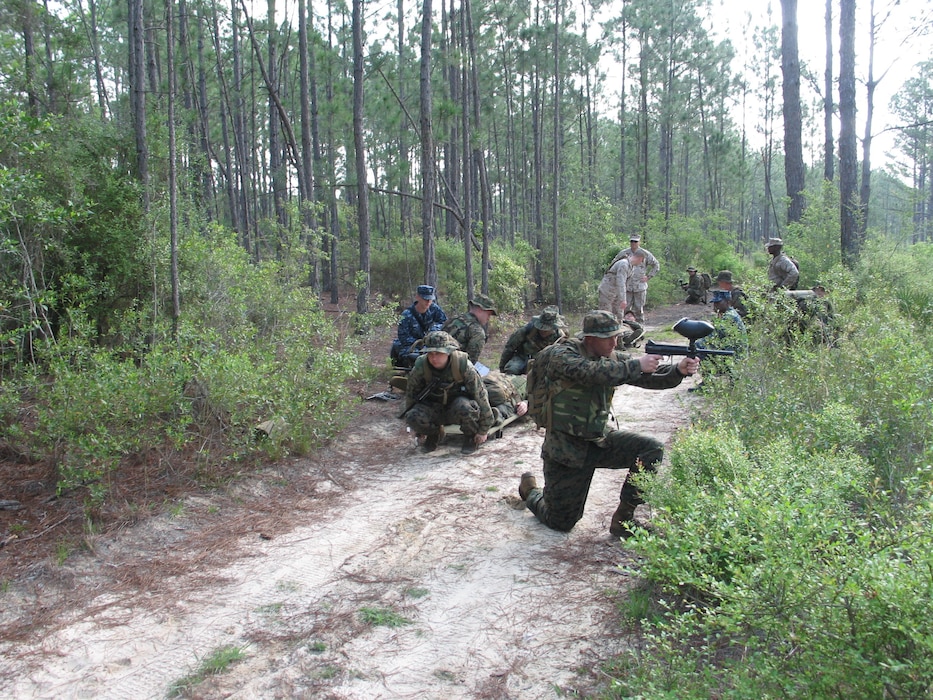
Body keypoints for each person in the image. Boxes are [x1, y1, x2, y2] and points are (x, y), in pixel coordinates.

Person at [517, 310, 699, 538]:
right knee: (561, 522)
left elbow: (645, 376)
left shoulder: (611, 357)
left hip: (599, 441)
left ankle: (624, 521)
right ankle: (531, 491)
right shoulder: (562, 355)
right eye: (609, 337)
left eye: (617, 336)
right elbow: (591, 372)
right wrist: (635, 366)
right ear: (590, 338)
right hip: (566, 450)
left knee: (651, 449)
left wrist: (678, 370)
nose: (616, 341)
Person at [401, 331, 498, 455]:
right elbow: (411, 395)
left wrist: (484, 429)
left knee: (465, 407)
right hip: (434, 406)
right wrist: (418, 429)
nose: (434, 358)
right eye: (430, 353)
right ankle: (434, 434)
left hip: (458, 407)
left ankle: (470, 437)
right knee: (412, 415)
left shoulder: (463, 365)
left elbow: (480, 395)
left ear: (448, 351)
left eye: (439, 353)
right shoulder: (421, 366)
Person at [499, 305, 568, 375]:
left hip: (546, 362)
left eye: (546, 329)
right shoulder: (526, 330)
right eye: (541, 328)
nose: (543, 331)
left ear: (554, 327)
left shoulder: (560, 337)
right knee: (512, 370)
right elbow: (509, 348)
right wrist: (502, 369)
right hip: (523, 358)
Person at [391, 285, 447, 368]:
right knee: (413, 357)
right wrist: (421, 344)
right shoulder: (406, 315)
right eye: (425, 299)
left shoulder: (434, 309)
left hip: (431, 343)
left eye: (430, 299)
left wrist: (435, 330)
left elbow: (444, 323)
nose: (428, 302)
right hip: (412, 345)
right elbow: (404, 338)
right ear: (417, 297)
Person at [614, 235, 660, 322]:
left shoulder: (645, 254)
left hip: (640, 285)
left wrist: (649, 276)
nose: (633, 243)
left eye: (635, 241)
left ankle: (640, 327)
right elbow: (615, 263)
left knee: (639, 309)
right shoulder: (624, 253)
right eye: (632, 241)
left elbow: (656, 265)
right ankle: (625, 328)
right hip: (627, 286)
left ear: (639, 242)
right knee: (625, 308)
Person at [443, 293, 498, 364]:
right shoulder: (477, 331)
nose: (488, 318)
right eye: (488, 314)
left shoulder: (453, 319)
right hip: (453, 368)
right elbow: (469, 362)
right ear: (480, 309)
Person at [598, 252, 644, 320]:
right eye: (642, 261)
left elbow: (626, 285)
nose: (641, 263)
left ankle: (620, 328)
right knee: (606, 315)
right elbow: (620, 282)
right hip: (607, 291)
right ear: (639, 258)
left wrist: (622, 298)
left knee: (619, 313)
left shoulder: (631, 268)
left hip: (617, 293)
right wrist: (623, 299)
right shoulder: (624, 264)